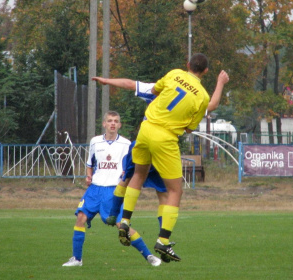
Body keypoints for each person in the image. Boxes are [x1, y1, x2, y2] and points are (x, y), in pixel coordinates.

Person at [115, 53, 229, 262]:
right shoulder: (202, 96)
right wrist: (220, 83)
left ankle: (125, 221)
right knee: (175, 190)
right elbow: (188, 128)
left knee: (138, 175)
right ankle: (164, 241)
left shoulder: (175, 73)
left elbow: (156, 90)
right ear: (205, 71)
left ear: (187, 65)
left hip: (146, 128)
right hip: (165, 137)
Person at [62, 111, 162, 267]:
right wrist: (88, 176)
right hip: (94, 189)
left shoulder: (126, 144)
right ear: (104, 124)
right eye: (109, 121)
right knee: (81, 217)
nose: (113, 123)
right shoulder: (95, 142)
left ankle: (149, 256)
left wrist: (126, 175)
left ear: (119, 125)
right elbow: (90, 164)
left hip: (113, 191)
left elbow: (133, 166)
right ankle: (76, 259)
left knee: (121, 226)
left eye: (116, 121)